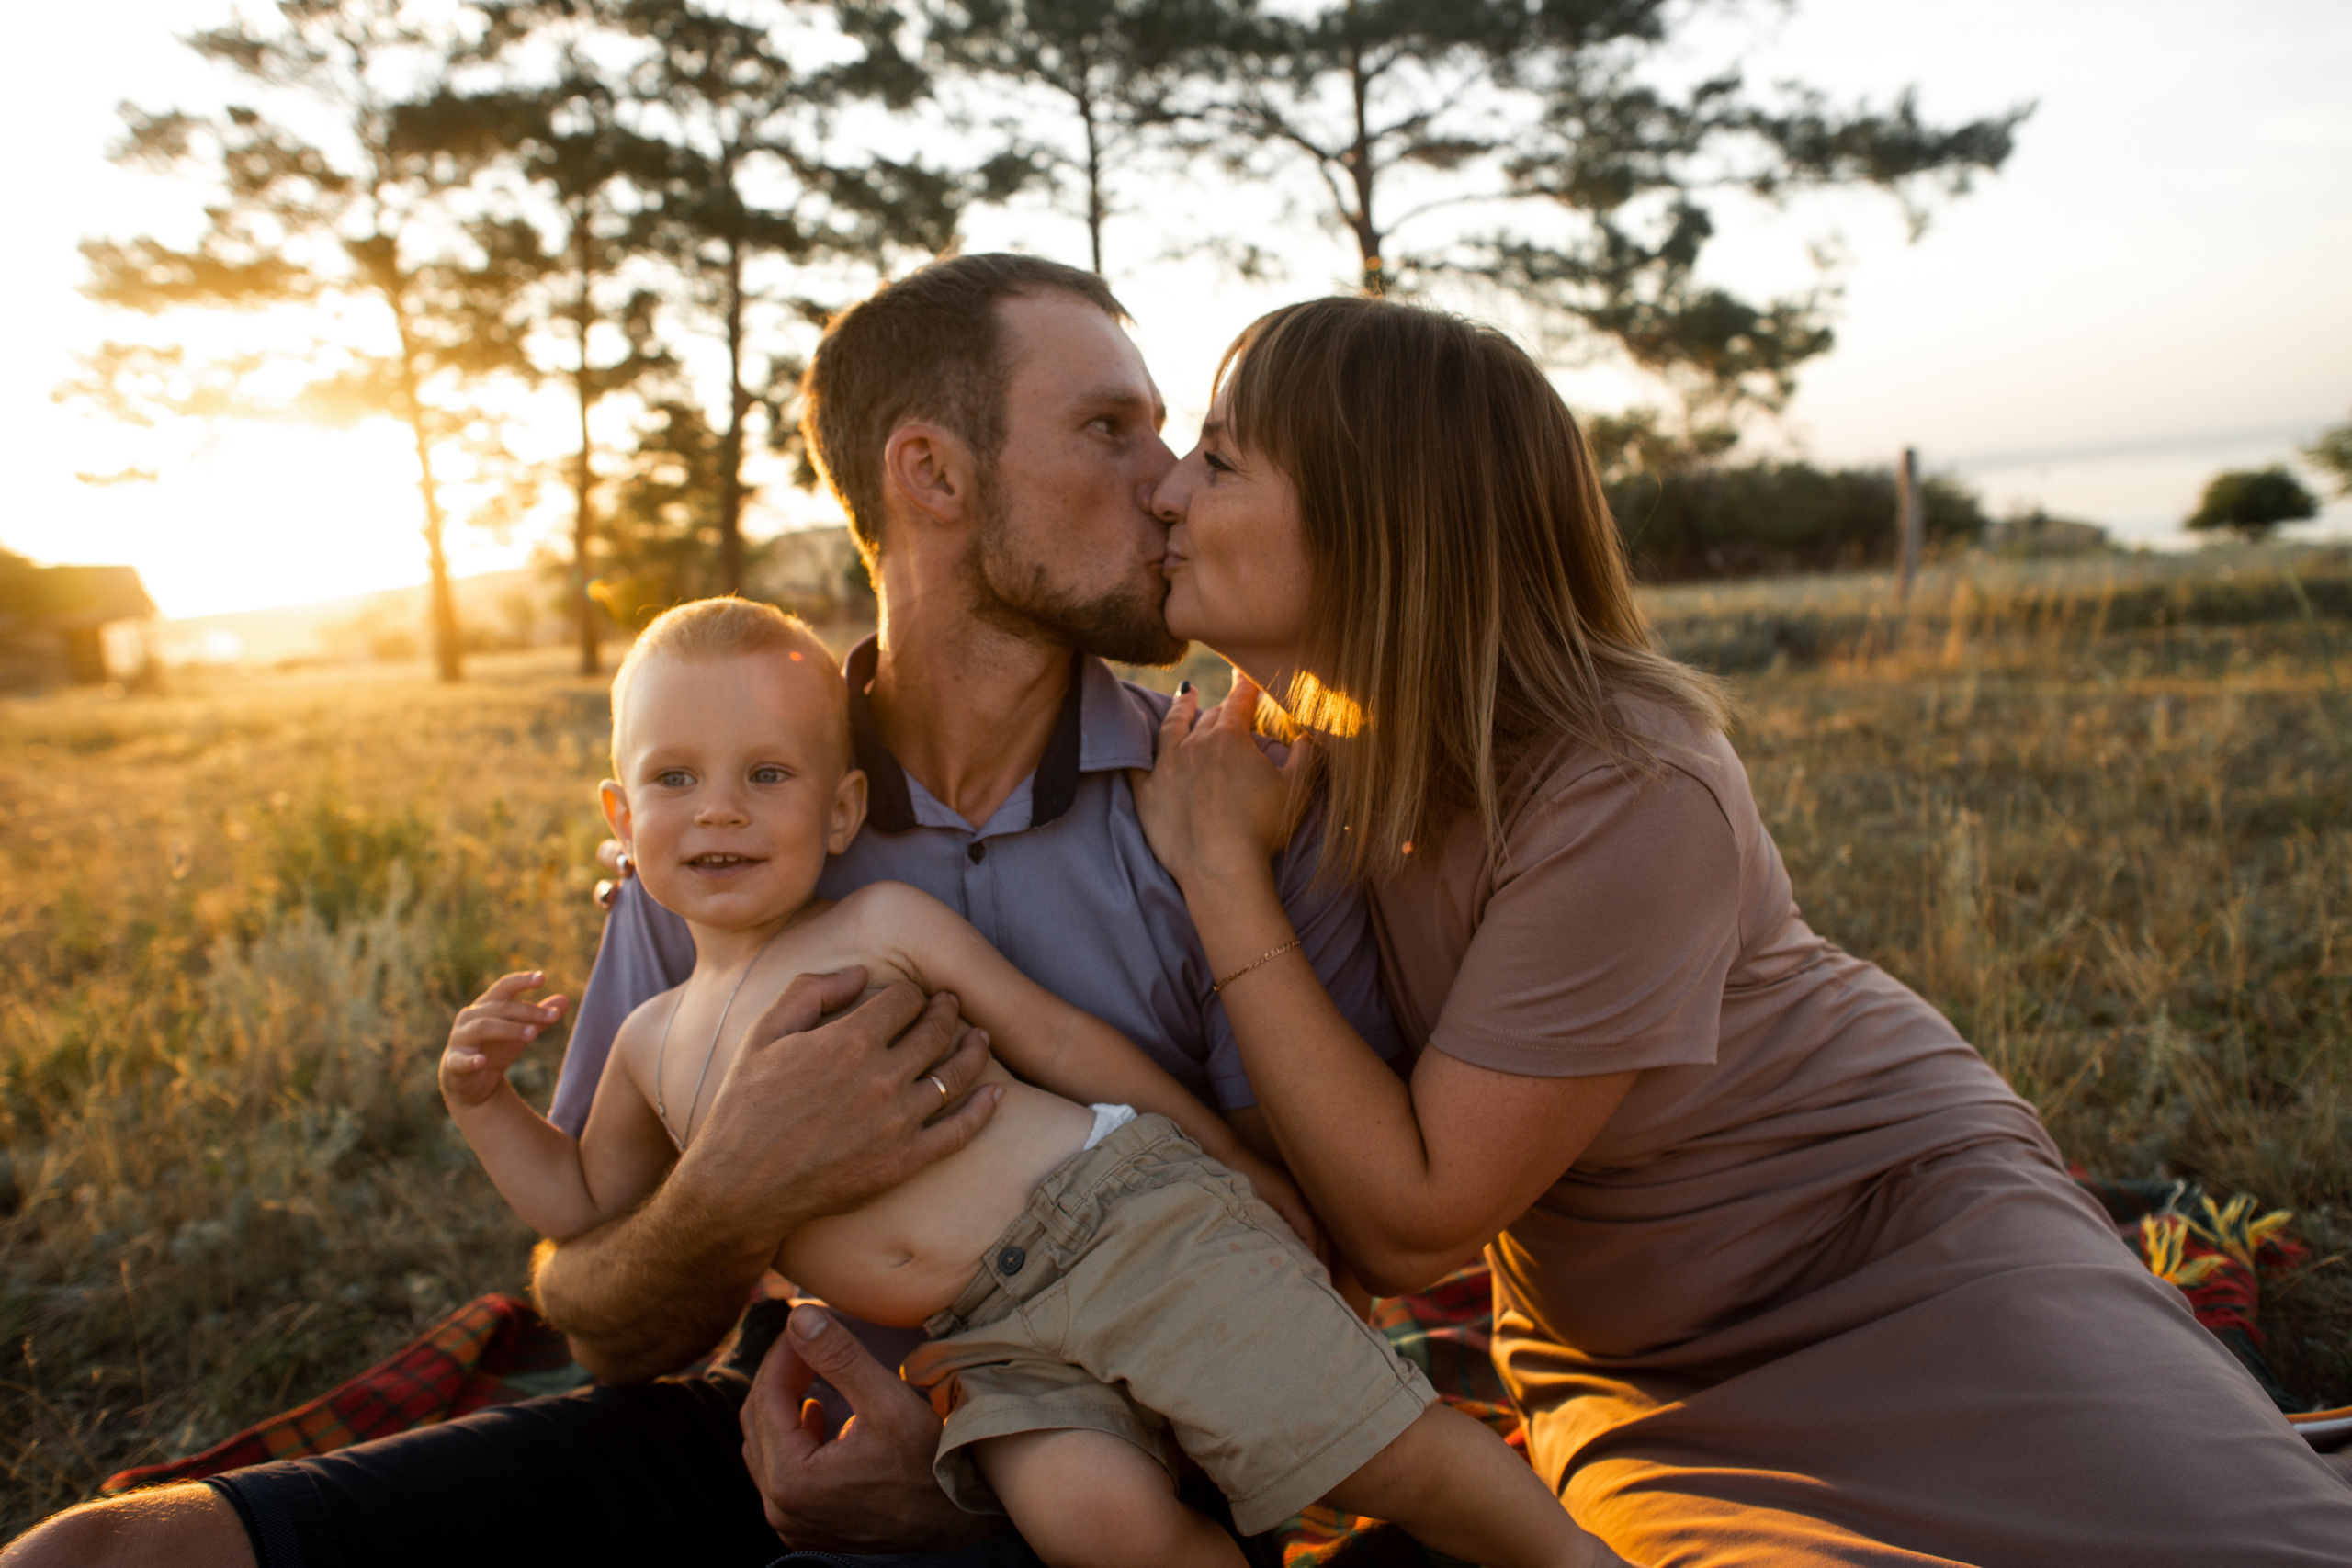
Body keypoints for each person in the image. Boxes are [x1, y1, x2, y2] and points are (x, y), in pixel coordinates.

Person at [0, 254, 1401, 1568]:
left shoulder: (1230, 795)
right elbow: (601, 1309)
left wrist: (960, 1477)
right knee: (104, 1551)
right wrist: (738, 1184)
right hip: (783, 1422)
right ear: (931, 472)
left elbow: (1313, 1258)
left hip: (1118, 1459)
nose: (1166, 487)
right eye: (1111, 428)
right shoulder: (731, 824)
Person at [1126, 293, 2352, 1565]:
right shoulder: (1280, 751)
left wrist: (1224, 879)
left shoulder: (1627, 777)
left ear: (1384, 517)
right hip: (1637, 1371)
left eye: (1217, 459)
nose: (1164, 491)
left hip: (1906, 1242)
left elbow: (1416, 1221)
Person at [442, 593, 1602, 1568]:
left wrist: (1234, 1164)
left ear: (842, 809)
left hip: (1111, 1224)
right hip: (981, 1341)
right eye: (675, 778)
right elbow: (586, 1210)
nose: (721, 809)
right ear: (621, 815)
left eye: (766, 774)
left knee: (1376, 1451)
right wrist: (484, 1104)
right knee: (1094, 1527)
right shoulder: (650, 1039)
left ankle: (1570, 1560)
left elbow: (1060, 1046)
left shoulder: (878, 924)